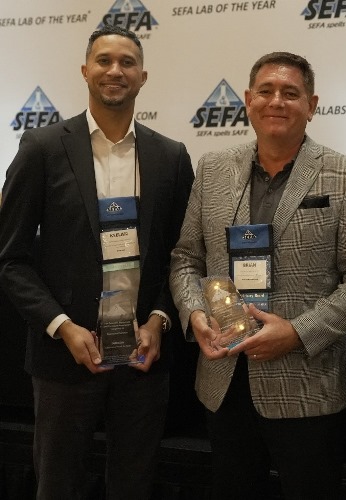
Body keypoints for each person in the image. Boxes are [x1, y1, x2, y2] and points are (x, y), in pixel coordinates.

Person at [169, 51, 346, 499]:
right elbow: (186, 257)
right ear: (248, 101)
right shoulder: (212, 168)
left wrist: (297, 332)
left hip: (308, 385)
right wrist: (194, 314)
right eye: (265, 91)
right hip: (224, 380)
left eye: (290, 93)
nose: (276, 101)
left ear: (312, 105)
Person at [0, 25, 194, 499]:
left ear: (143, 76)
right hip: (65, 356)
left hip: (143, 356)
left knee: (134, 485)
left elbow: (185, 255)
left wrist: (160, 320)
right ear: (85, 71)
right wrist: (62, 326)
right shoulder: (42, 148)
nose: (115, 71)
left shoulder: (170, 157)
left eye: (127, 62)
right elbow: (11, 260)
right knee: (58, 485)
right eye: (104, 60)